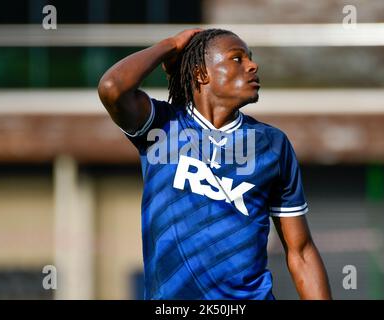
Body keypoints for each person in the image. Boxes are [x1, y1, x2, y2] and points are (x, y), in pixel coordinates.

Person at [98, 28, 332, 300]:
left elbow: (301, 252)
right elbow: (112, 87)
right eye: (237, 58)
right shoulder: (162, 125)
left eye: (250, 58)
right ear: (201, 74)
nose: (252, 65)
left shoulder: (272, 144)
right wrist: (171, 45)